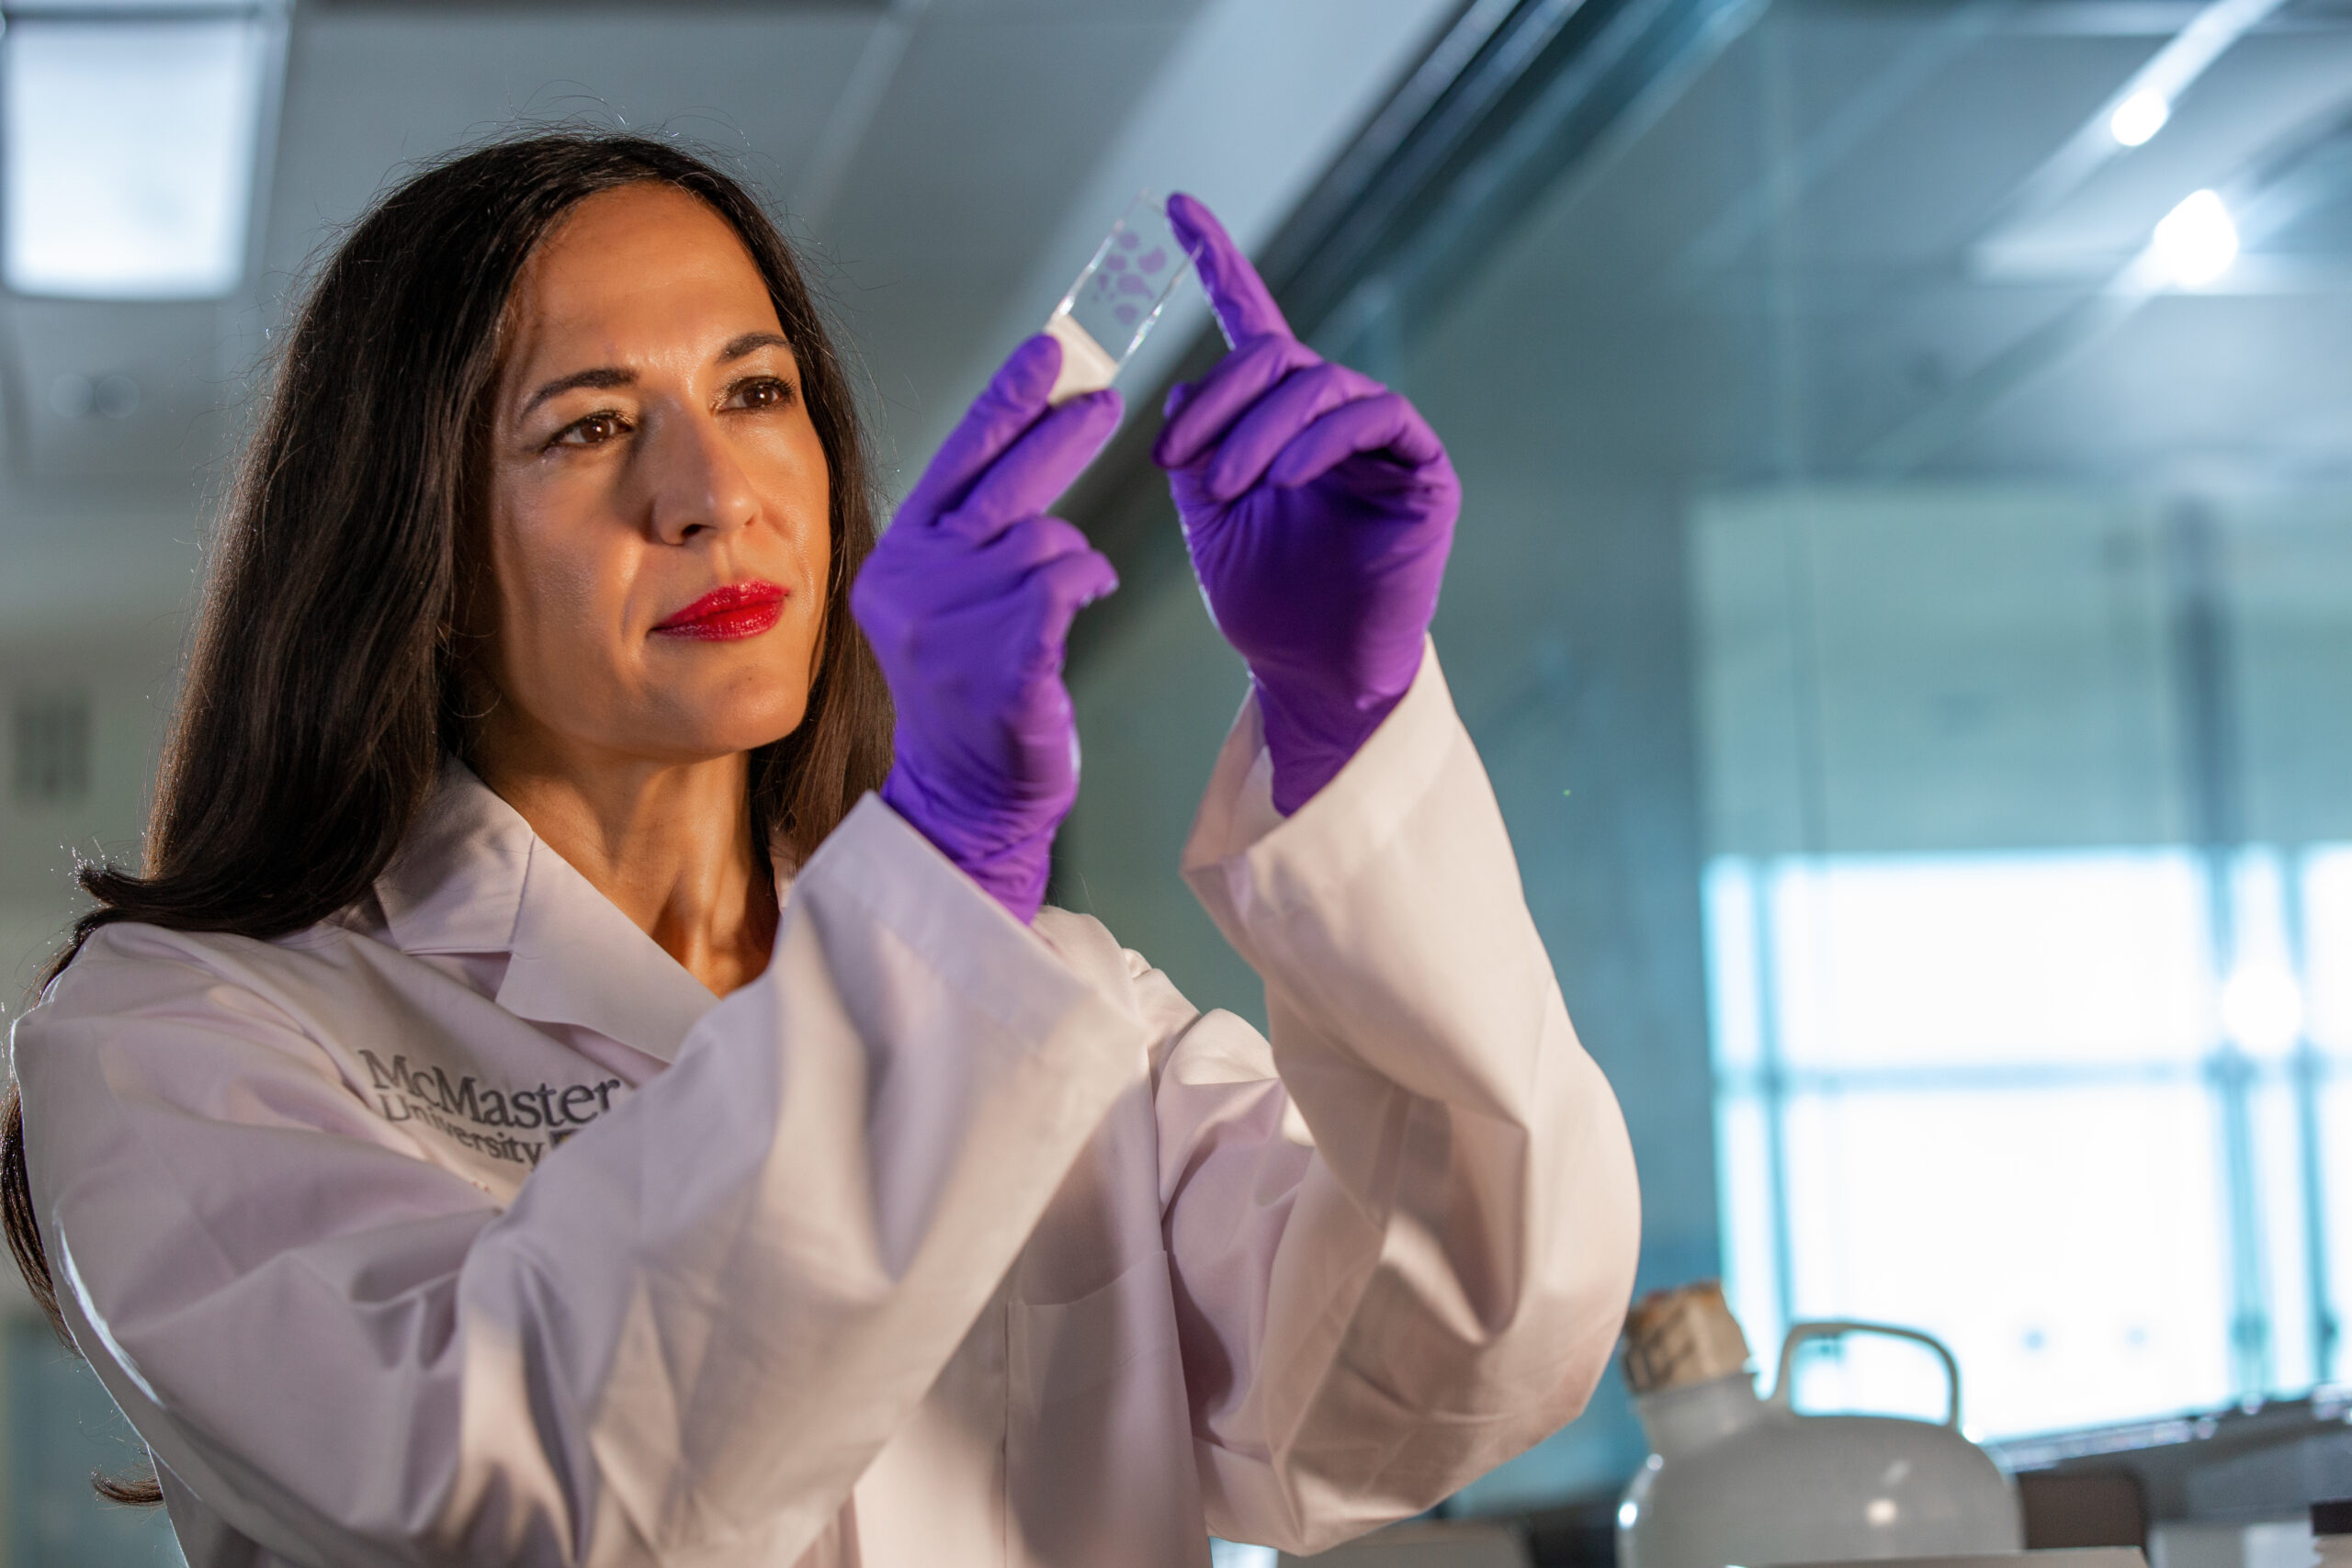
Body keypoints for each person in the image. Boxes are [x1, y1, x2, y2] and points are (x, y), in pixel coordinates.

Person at [2, 133, 1637, 1568]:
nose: (710, 492)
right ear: (405, 536)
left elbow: (1428, 1376)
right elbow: (517, 1500)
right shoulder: (183, 1037)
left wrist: (1338, 731)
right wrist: (938, 877)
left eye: (756, 393)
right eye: (587, 428)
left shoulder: (1060, 1008)